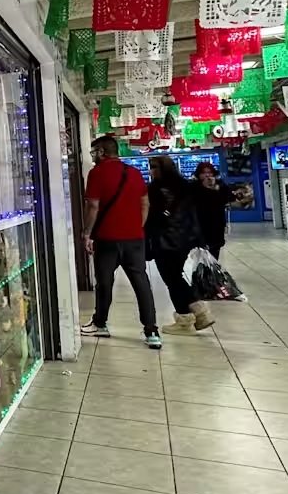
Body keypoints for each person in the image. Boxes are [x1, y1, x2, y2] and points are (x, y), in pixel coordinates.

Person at [80, 136, 161, 348]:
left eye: (93, 152)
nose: (93, 156)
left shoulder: (97, 173)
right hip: (134, 239)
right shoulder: (134, 173)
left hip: (107, 239)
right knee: (141, 282)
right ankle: (151, 330)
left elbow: (93, 206)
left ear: (101, 152)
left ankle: (100, 323)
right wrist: (136, 227)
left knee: (104, 282)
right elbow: (145, 204)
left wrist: (87, 233)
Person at [147, 157, 215, 334]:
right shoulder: (186, 186)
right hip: (187, 240)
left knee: (172, 280)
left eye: (153, 167)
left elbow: (151, 217)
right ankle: (199, 312)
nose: (150, 171)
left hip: (165, 241)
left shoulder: (155, 189)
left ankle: (186, 318)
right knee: (178, 277)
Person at [193, 163, 229, 259]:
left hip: (216, 223)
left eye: (209, 172)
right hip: (199, 224)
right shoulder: (194, 186)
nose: (207, 175)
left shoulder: (220, 185)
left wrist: (215, 189)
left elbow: (227, 198)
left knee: (214, 253)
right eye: (204, 173)